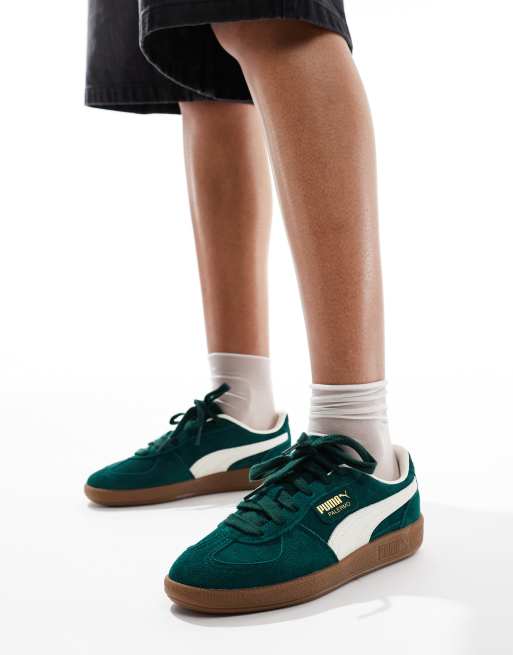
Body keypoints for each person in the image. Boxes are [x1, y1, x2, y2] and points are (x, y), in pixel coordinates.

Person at [84, 0, 423, 613]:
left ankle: (359, 447)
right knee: (196, 62)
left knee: (268, 13)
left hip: (362, 456)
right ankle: (242, 408)